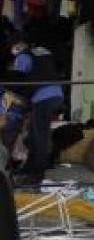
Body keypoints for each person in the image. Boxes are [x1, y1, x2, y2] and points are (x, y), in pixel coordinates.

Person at [5, 32, 64, 185]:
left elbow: (19, 81)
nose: (13, 49)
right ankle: (29, 167)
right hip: (57, 94)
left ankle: (38, 174)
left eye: (14, 46)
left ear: (21, 44)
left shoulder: (23, 57)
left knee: (40, 136)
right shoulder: (42, 51)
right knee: (33, 133)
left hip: (42, 97)